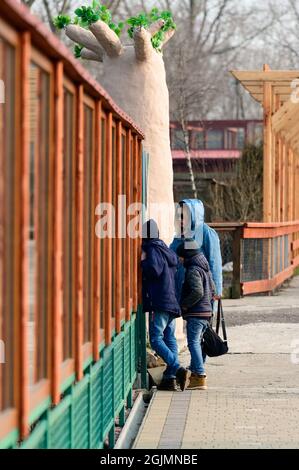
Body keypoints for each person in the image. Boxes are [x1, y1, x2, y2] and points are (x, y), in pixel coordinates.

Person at [141, 219, 191, 392]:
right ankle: (169, 379)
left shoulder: (151, 248)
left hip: (160, 302)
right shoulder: (165, 249)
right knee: (169, 338)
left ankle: (177, 368)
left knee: (155, 339)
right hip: (171, 301)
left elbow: (154, 269)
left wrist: (142, 263)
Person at [177, 239, 215, 390]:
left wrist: (185, 304)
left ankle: (199, 375)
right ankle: (195, 370)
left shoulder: (193, 269)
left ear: (187, 255)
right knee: (199, 343)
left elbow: (198, 291)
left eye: (181, 256)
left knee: (192, 342)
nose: (179, 260)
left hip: (197, 312)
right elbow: (212, 290)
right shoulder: (205, 268)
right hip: (206, 312)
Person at [170, 199, 223, 304]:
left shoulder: (206, 232)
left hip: (203, 289)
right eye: (178, 216)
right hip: (182, 287)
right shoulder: (179, 235)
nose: (180, 220)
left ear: (194, 215)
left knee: (200, 319)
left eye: (184, 216)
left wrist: (217, 290)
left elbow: (214, 261)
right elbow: (171, 254)